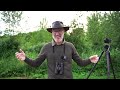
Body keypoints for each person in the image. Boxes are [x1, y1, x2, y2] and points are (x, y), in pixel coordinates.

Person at [15, 21, 99, 79]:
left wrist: (89, 60)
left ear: (64, 31)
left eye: (59, 30)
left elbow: (80, 62)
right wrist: (25, 58)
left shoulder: (70, 46)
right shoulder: (46, 47)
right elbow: (36, 64)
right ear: (51, 33)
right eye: (54, 31)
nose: (57, 33)